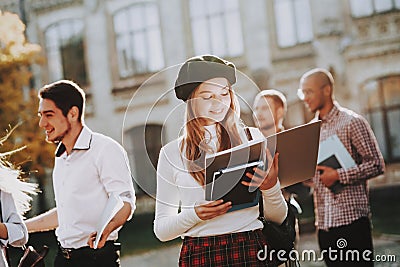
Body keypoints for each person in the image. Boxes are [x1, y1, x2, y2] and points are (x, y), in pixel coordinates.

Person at [154, 55, 288, 267]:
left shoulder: (253, 138)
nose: (218, 103)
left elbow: (279, 217)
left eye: (224, 94)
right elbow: (161, 230)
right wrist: (195, 214)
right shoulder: (171, 153)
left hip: (251, 247)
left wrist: (271, 188)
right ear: (191, 101)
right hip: (200, 254)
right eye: (207, 97)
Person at [25, 80, 136, 267]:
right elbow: (66, 213)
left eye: (49, 115)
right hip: (63, 259)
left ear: (73, 113)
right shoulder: (61, 157)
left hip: (96, 259)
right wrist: (17, 228)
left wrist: (106, 230)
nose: (42, 123)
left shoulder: (105, 149)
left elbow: (126, 203)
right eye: (40, 115)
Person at [298, 68, 385, 266]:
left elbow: (377, 164)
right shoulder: (311, 131)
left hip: (352, 223)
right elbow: (319, 176)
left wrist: (339, 175)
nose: (305, 98)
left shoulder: (352, 122)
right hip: (325, 225)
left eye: (309, 92)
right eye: (302, 93)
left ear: (327, 90)